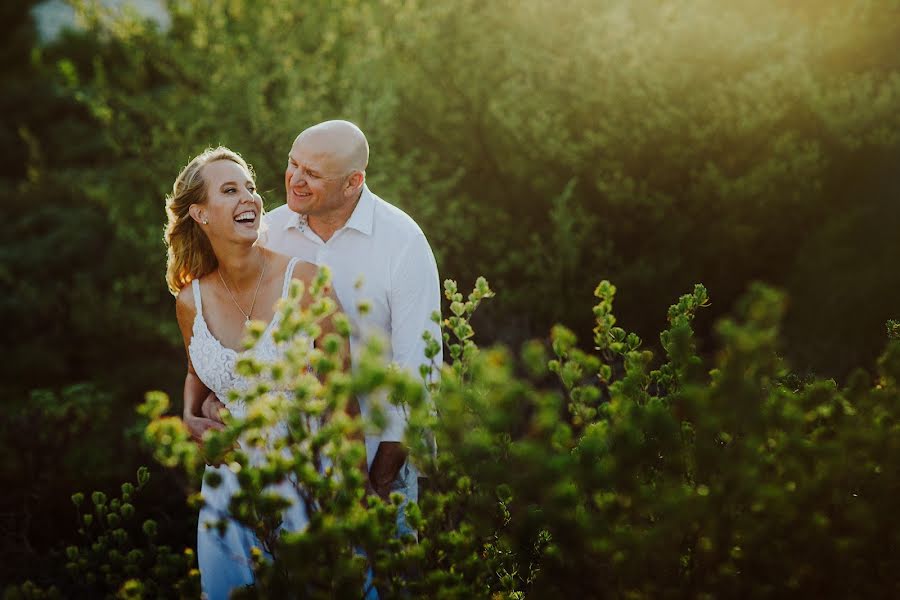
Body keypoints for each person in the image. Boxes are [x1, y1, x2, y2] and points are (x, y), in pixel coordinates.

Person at [197, 120, 443, 528]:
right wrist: (211, 400)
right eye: (293, 164)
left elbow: (420, 372)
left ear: (353, 182)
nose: (295, 179)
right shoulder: (267, 233)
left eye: (312, 174)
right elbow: (230, 330)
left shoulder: (403, 242)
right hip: (283, 466)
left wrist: (377, 482)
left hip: (379, 455)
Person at [165, 146, 363, 599]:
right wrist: (190, 415)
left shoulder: (306, 281)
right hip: (228, 491)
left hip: (308, 476)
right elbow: (198, 371)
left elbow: (343, 395)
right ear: (200, 213)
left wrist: (353, 493)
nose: (249, 199)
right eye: (230, 190)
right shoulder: (189, 301)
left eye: (251, 188)